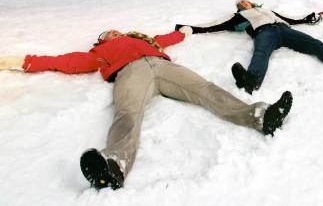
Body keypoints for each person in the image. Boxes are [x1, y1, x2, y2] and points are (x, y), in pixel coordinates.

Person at [0, 29, 293, 190]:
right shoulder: (98, 53)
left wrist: (184, 32)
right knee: (127, 113)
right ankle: (114, 163)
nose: (112, 33)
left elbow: (167, 38)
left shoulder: (142, 39)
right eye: (106, 34)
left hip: (165, 67)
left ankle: (260, 115)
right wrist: (21, 61)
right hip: (130, 73)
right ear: (101, 41)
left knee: (207, 90)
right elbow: (64, 61)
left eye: (114, 30)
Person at [175, 0, 323, 95]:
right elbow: (215, 25)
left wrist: (306, 18)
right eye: (240, 4)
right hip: (265, 33)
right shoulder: (239, 17)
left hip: (284, 29)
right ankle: (251, 80)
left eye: (245, 2)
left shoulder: (269, 11)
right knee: (261, 51)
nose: (243, 4)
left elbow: (289, 19)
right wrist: (190, 28)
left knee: (316, 45)